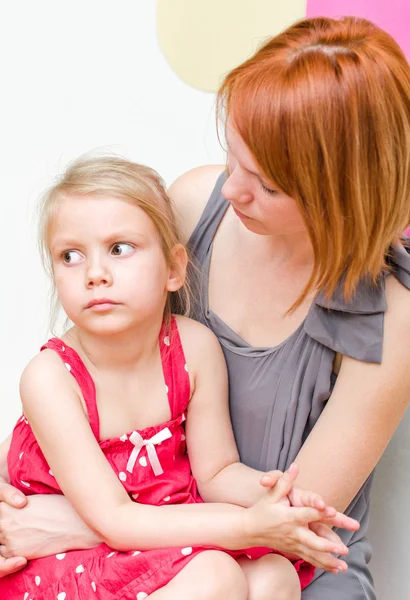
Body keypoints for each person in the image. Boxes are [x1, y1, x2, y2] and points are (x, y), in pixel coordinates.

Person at [1, 14, 410, 599]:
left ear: (340, 196)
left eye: (268, 185)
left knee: (265, 581)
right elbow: (92, 369)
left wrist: (79, 524)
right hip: (152, 525)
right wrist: (17, 495)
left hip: (282, 554)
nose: (233, 190)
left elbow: (297, 525)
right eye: (234, 156)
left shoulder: (389, 318)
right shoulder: (197, 206)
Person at [0, 155, 356, 600]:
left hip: (151, 539)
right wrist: (245, 526)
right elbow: (115, 519)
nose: (95, 274)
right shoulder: (51, 378)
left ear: (173, 269)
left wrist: (283, 498)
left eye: (119, 248)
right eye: (70, 256)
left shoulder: (192, 349)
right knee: (215, 576)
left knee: (274, 575)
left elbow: (218, 473)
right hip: (67, 560)